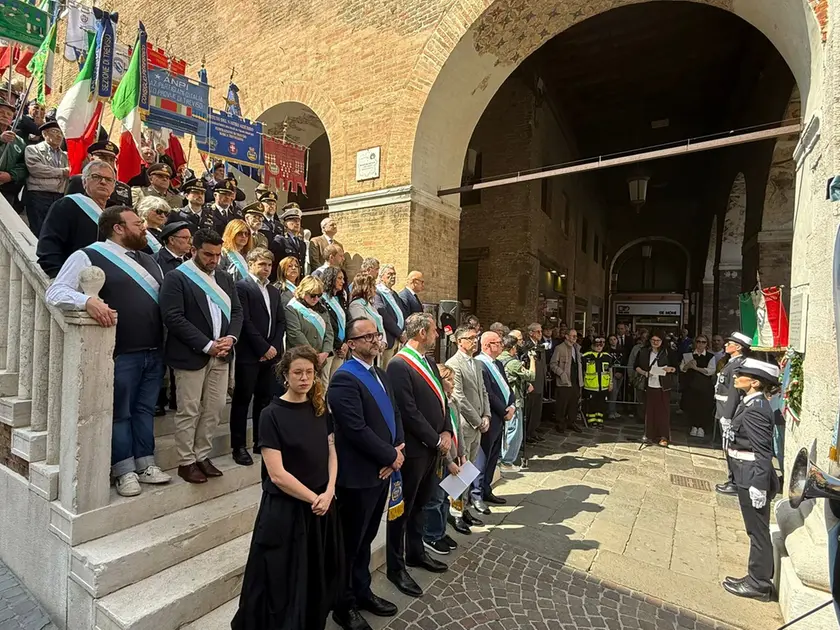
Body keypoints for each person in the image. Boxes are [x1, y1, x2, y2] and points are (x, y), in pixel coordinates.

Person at [45, 206, 171, 496]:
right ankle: (124, 470)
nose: (144, 228)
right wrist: (87, 302)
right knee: (120, 413)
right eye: (138, 224)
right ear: (118, 228)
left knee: (143, 410)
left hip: (154, 350)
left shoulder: (150, 260)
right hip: (120, 351)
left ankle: (146, 463)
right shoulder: (88, 255)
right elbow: (55, 292)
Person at [231, 346, 343, 630]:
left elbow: (331, 451)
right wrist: (314, 498)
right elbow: (277, 474)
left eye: (309, 372)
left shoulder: (320, 407)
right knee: (281, 581)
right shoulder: (271, 415)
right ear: (285, 376)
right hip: (287, 511)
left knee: (314, 575)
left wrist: (330, 490)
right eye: (298, 373)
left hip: (322, 505)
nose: (304, 378)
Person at [329, 317, 403, 630]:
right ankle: (342, 605)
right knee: (350, 543)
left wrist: (398, 449)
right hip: (358, 476)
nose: (375, 339)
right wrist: (390, 456)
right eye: (367, 336)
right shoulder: (344, 378)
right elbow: (355, 429)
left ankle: (362, 591)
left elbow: (395, 414)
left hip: (382, 472)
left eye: (376, 333)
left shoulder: (381, 373)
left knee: (367, 539)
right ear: (352, 343)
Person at [159, 228, 243, 484]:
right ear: (193, 250)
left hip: (222, 354)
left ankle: (202, 455)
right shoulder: (177, 278)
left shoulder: (225, 279)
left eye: (218, 255)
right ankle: (186, 462)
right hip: (192, 354)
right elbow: (173, 317)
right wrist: (207, 345)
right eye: (208, 254)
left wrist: (231, 338)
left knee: (215, 408)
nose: (214, 260)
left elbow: (237, 312)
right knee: (189, 409)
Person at [386, 312, 453, 597]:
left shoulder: (428, 363)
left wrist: (447, 430)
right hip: (415, 450)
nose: (438, 335)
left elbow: (442, 399)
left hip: (434, 447)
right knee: (402, 511)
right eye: (435, 331)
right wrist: (435, 439)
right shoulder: (399, 364)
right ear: (422, 333)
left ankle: (416, 552)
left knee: (421, 505)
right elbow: (408, 411)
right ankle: (396, 567)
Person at [721, 358, 781, 602]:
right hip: (745, 472)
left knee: (757, 531)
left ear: (754, 382)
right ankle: (757, 576)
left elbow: (762, 452)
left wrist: (758, 484)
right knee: (755, 529)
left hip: (751, 475)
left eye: (742, 374)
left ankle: (758, 582)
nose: (736, 377)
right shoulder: (751, 402)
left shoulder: (756, 409)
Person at [231, 247, 286, 467]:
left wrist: (273, 347)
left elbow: (280, 321)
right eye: (262, 264)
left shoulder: (273, 290)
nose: (266, 268)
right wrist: (263, 347)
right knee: (242, 400)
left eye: (269, 265)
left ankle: (259, 441)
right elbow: (245, 321)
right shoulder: (242, 287)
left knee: (265, 400)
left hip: (271, 355)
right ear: (251, 264)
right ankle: (238, 446)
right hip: (249, 354)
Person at [37, 160, 116, 278]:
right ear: (84, 182)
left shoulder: (115, 214)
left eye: (109, 179)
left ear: (113, 186)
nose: (103, 182)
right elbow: (49, 244)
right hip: (73, 279)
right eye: (96, 177)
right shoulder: (68, 205)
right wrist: (59, 276)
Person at [444, 326, 489, 530]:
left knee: (469, 470)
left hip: (478, 424)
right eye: (471, 338)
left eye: (476, 337)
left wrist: (486, 415)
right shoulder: (454, 364)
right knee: (461, 472)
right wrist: (477, 420)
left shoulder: (477, 363)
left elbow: (483, 391)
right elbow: (459, 397)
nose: (475, 341)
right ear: (459, 341)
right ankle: (454, 512)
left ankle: (463, 507)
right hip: (465, 426)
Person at [422, 364, 465, 554]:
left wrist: (462, 453)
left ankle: (441, 531)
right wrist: (449, 461)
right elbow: (441, 437)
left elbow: (458, 430)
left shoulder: (452, 402)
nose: (453, 383)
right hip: (444, 460)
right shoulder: (436, 405)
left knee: (447, 498)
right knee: (436, 499)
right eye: (448, 380)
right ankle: (431, 535)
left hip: (456, 456)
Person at [472, 331, 516, 514]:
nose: (501, 345)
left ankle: (487, 489)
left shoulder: (497, 363)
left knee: (493, 457)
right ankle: (476, 495)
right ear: (487, 345)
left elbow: (506, 387)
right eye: (497, 342)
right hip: (491, 417)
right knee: (482, 457)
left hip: (502, 417)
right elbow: (488, 393)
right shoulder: (481, 364)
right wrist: (504, 410)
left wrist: (512, 404)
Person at [715, 331, 753, 495]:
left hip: (727, 408)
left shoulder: (738, 365)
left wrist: (728, 416)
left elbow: (734, 392)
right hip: (722, 406)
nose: (725, 345)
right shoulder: (732, 362)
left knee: (730, 447)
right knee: (728, 446)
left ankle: (735, 482)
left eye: (729, 343)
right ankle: (733, 480)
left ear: (737, 347)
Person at [23, 120, 67, 236]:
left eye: (61, 133)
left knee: (53, 231)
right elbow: (36, 169)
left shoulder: (66, 156)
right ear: (44, 134)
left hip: (59, 195)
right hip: (39, 194)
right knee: (39, 230)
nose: (59, 135)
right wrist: (62, 172)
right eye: (55, 131)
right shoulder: (32, 149)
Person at [634, 331, 678, 447]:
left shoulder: (668, 353)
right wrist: (645, 373)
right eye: (653, 340)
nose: (655, 342)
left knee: (663, 412)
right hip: (648, 385)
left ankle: (663, 436)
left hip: (663, 386)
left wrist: (670, 369)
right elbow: (636, 366)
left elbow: (676, 367)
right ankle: (649, 435)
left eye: (658, 340)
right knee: (649, 411)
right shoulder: (643, 352)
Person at [498, 334, 534, 468]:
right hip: (514, 400)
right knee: (514, 430)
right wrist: (533, 360)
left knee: (504, 430)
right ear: (513, 347)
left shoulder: (498, 359)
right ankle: (507, 461)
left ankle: (501, 457)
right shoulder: (513, 362)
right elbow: (531, 375)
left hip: (502, 399)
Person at [285, 276, 334, 373]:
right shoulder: (292, 308)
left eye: (319, 295)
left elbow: (329, 332)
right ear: (303, 292)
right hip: (300, 358)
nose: (316, 298)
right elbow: (295, 334)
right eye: (312, 295)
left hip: (321, 359)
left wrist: (325, 352)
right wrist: (313, 354)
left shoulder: (322, 309)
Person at [65, 140, 133, 207]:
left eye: (111, 160)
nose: (108, 162)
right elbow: (68, 207)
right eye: (103, 158)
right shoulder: (78, 181)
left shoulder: (124, 188)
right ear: (92, 160)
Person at [680, 334, 717, 439]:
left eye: (703, 342)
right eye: (699, 341)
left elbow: (710, 371)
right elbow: (682, 368)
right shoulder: (688, 355)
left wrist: (696, 368)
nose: (700, 344)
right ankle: (693, 426)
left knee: (704, 407)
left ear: (707, 344)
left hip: (705, 386)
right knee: (692, 406)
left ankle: (702, 427)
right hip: (691, 385)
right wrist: (689, 365)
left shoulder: (710, 356)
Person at [549, 328, 584, 434]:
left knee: (574, 403)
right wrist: (561, 373)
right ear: (567, 336)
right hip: (564, 381)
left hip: (576, 380)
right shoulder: (559, 348)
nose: (574, 338)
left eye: (576, 336)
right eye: (572, 336)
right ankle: (560, 423)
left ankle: (571, 422)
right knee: (562, 404)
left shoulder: (577, 348)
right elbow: (553, 364)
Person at [375, 264, 406, 368]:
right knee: (385, 368)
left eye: (394, 274)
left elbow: (401, 312)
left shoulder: (394, 294)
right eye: (390, 274)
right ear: (382, 276)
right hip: (389, 338)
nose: (393, 277)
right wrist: (399, 333)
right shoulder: (377, 292)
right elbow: (383, 315)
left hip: (399, 338)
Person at [321, 266, 349, 382]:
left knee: (336, 380)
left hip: (342, 346)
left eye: (343, 279)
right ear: (330, 279)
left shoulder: (340, 299)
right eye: (339, 278)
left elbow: (346, 322)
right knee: (325, 381)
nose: (342, 281)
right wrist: (338, 344)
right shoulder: (322, 299)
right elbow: (329, 324)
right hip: (330, 347)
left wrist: (345, 343)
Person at [0, 97, 28, 212]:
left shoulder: (19, 141)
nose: (5, 115)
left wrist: (11, 175)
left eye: (9, 114)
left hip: (7, 191)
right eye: (1, 112)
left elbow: (23, 165)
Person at [522, 323, 547, 444]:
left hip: (540, 380)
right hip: (532, 382)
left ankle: (533, 431)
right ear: (531, 332)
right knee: (530, 409)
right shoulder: (527, 346)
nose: (540, 334)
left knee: (537, 409)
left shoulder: (540, 346)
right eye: (538, 332)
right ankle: (527, 433)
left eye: (541, 331)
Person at [581, 336, 613, 429]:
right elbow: (582, 371)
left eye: (600, 345)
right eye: (596, 345)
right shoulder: (586, 356)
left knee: (602, 404)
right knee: (591, 404)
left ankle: (599, 421)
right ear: (592, 346)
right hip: (590, 386)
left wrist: (611, 383)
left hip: (603, 386)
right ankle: (591, 421)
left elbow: (610, 371)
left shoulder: (607, 357)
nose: (598, 347)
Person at [348, 274, 385, 348]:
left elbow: (380, 324)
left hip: (376, 344)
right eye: (373, 286)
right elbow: (362, 328)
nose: (375, 289)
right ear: (365, 287)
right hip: (366, 346)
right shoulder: (356, 305)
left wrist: (383, 342)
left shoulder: (369, 304)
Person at [269, 203, 307, 272]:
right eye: (294, 220)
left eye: (299, 220)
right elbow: (275, 264)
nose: (297, 223)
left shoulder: (302, 243)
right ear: (285, 223)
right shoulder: (280, 240)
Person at [220, 218, 253, 282]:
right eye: (240, 233)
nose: (244, 236)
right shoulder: (222, 252)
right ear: (231, 233)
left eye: (246, 233)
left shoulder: (249, 254)